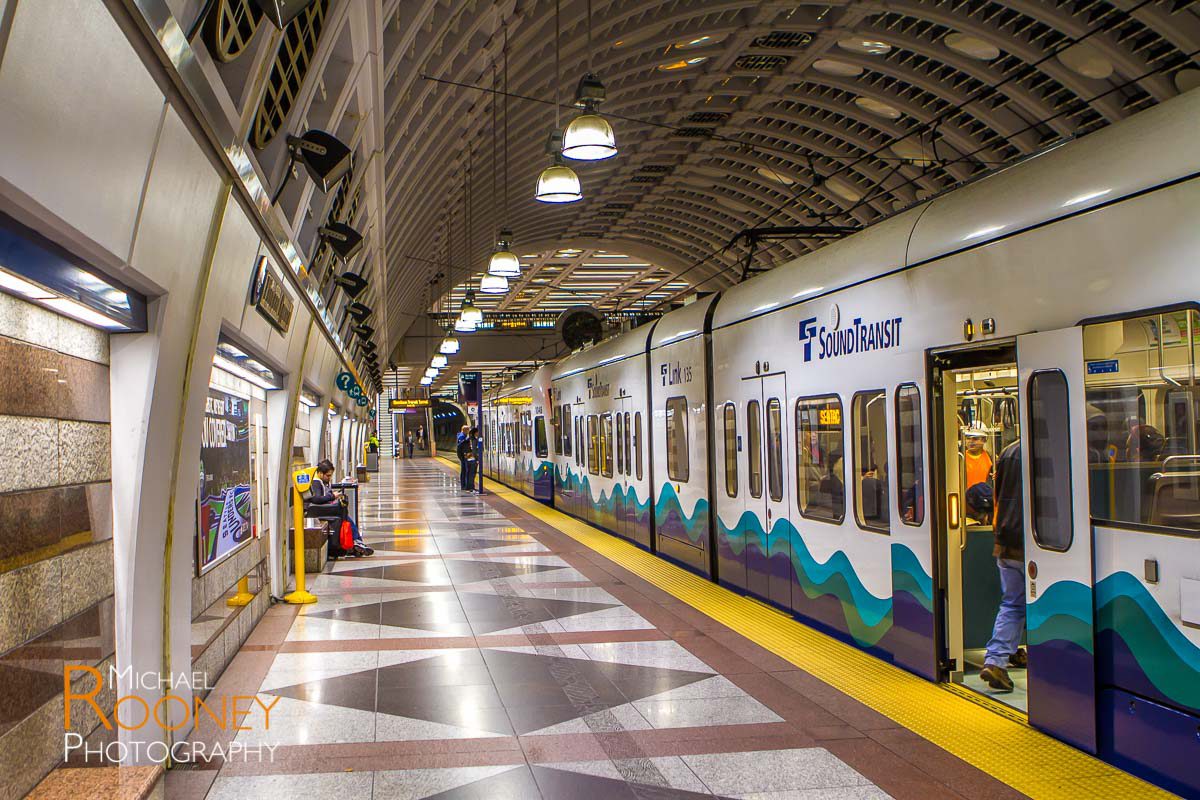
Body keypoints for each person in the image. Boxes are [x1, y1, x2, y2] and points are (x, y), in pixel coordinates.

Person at [980, 439, 1024, 691]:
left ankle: (997, 659)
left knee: (1012, 604)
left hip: (1006, 538)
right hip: (1035, 542)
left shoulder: (1008, 451)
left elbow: (997, 494)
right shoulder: (1046, 448)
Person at [305, 459, 373, 558]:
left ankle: (355, 541)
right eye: (327, 475)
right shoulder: (316, 483)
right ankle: (356, 541)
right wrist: (333, 496)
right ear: (320, 473)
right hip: (320, 512)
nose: (329, 478)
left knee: (345, 516)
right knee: (345, 518)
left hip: (323, 509)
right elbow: (317, 499)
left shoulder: (320, 482)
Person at [458, 427, 479, 491]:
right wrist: (476, 459)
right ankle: (469, 487)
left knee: (469, 472)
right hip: (471, 458)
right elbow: (474, 450)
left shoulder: (468, 439)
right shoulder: (471, 440)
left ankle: (468, 486)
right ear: (475, 433)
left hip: (469, 458)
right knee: (470, 473)